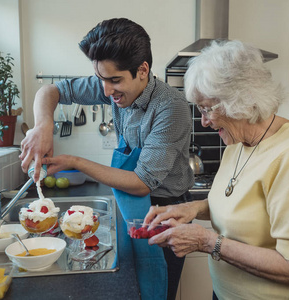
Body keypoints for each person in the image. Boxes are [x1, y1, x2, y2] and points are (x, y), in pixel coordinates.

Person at [144, 40, 289, 299]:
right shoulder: (237, 144)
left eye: (207, 109)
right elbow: (238, 204)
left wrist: (207, 241)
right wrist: (190, 208)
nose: (203, 121)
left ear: (240, 100)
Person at [19, 18, 194, 300]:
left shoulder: (170, 108)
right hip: (130, 205)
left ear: (142, 70)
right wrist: (43, 126)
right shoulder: (112, 86)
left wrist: (76, 161)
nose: (106, 91)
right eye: (101, 79)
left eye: (114, 80)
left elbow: (140, 183)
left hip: (166, 213)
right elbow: (49, 91)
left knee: (156, 292)